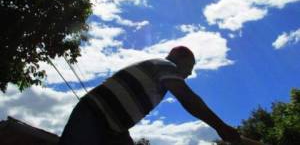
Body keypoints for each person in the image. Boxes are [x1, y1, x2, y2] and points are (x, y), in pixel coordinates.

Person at [59, 46, 241, 145]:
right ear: (179, 58)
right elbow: (188, 99)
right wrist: (221, 127)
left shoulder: (159, 74)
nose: (190, 73)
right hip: (94, 115)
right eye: (190, 67)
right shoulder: (165, 66)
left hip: (115, 130)